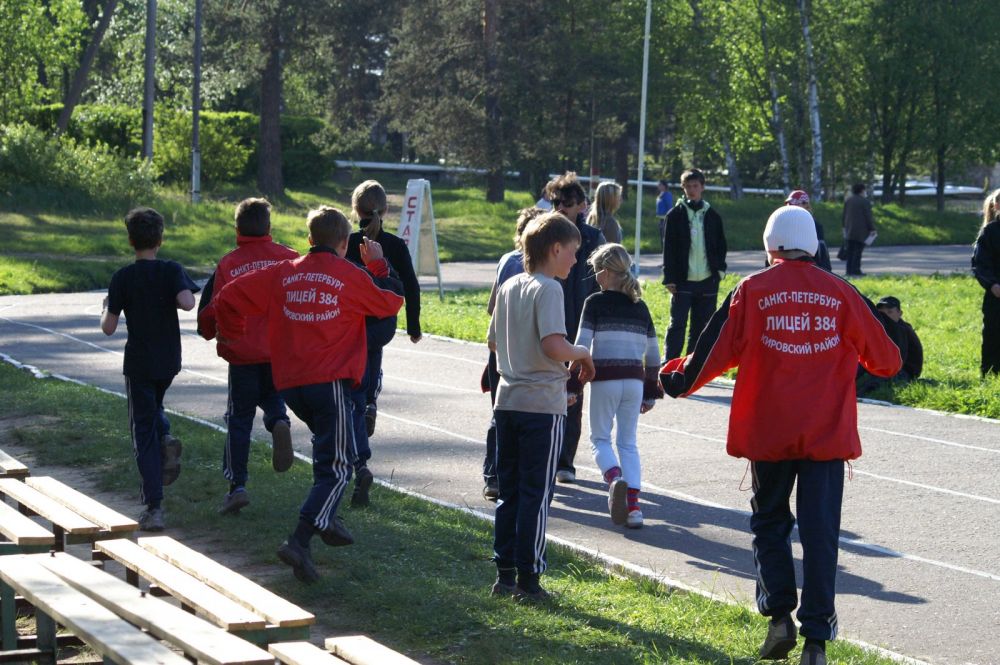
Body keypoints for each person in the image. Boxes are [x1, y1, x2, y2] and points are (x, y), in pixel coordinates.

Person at [659, 205, 901, 665]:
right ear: (813, 245)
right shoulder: (842, 292)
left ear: (770, 245)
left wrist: (674, 379)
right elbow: (888, 361)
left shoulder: (751, 290)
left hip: (768, 434)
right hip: (826, 437)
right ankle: (817, 640)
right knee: (821, 533)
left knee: (769, 522)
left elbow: (711, 351)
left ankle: (778, 615)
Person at [214, 206, 404, 583]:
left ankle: (327, 519)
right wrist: (379, 265)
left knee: (330, 449)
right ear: (344, 243)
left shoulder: (283, 272)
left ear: (308, 239)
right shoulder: (348, 274)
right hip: (329, 380)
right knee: (340, 465)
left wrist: (232, 333)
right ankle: (300, 539)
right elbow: (390, 300)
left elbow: (228, 296)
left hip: (290, 385)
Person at [487, 211, 595, 600]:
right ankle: (529, 578)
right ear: (555, 249)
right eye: (573, 252)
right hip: (541, 406)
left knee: (510, 493)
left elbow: (493, 341)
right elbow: (553, 345)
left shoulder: (509, 285)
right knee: (536, 494)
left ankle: (504, 575)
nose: (576, 260)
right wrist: (581, 353)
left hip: (507, 401)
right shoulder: (549, 289)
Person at [197, 198, 299, 516]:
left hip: (241, 351)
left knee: (239, 419)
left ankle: (237, 486)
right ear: (269, 227)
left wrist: (208, 330)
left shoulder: (229, 264)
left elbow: (214, 306)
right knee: (273, 395)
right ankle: (278, 421)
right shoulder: (289, 258)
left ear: (237, 228)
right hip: (277, 350)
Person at [100, 207, 199, 532]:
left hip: (139, 363)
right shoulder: (171, 270)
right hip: (168, 360)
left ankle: (153, 506)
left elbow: (108, 328)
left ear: (131, 241)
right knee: (154, 407)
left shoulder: (122, 277)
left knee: (142, 430)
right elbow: (188, 303)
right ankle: (165, 433)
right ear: (161, 239)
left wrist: (106, 307)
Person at [573, 244, 662, 529]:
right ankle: (634, 508)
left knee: (600, 438)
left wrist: (572, 385)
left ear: (606, 272)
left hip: (605, 379)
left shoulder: (594, 303)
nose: (595, 276)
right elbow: (654, 353)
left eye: (597, 270)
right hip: (634, 381)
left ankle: (614, 479)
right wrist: (650, 391)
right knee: (628, 442)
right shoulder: (640, 307)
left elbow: (581, 346)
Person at [344, 180, 421, 505]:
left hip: (353, 323)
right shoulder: (394, 244)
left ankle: (362, 403)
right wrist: (413, 325)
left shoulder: (348, 243)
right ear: (385, 210)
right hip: (383, 323)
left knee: (355, 374)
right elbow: (411, 285)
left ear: (355, 211)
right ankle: (371, 401)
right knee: (373, 355)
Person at [544, 171, 606, 483]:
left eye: (567, 203)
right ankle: (544, 455)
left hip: (581, 326)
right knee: (543, 392)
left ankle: (565, 462)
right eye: (556, 202)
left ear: (582, 205)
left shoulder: (593, 238)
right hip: (547, 323)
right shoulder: (543, 233)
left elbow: (606, 279)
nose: (560, 208)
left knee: (573, 395)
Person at [482, 206, 544, 501]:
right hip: (527, 350)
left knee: (501, 412)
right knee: (526, 415)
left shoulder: (507, 260)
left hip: (502, 346)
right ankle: (508, 476)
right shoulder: (540, 270)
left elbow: (491, 307)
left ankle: (495, 476)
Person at [661, 167, 727, 361]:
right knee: (677, 324)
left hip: (707, 281)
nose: (691, 190)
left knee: (701, 326)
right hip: (682, 281)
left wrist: (719, 272)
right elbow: (668, 248)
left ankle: (693, 365)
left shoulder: (713, 216)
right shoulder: (675, 215)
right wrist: (669, 278)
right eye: (688, 186)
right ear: (683, 188)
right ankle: (670, 364)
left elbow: (721, 246)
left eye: (695, 186)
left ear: (702, 187)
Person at [972, 188, 1000, 376]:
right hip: (997, 294)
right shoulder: (990, 232)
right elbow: (980, 264)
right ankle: (991, 373)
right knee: (993, 334)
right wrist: (992, 284)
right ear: (997, 206)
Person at [785, 190, 831, 271]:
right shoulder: (783, 224)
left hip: (811, 270)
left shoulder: (815, 226)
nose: (789, 207)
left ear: (806, 205)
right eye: (789, 204)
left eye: (793, 204)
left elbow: (821, 253)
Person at [842, 183, 875, 277]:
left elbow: (844, 215)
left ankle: (849, 270)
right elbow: (868, 216)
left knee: (850, 251)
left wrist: (844, 227)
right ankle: (856, 270)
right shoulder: (864, 201)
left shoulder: (848, 200)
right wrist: (872, 228)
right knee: (858, 251)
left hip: (849, 229)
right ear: (862, 190)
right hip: (861, 231)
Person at [656, 179, 673, 248]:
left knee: (665, 236)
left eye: (660, 185)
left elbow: (669, 206)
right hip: (661, 219)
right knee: (662, 236)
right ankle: (663, 250)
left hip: (665, 219)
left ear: (664, 186)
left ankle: (667, 250)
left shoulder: (667, 195)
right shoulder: (660, 195)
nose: (658, 186)